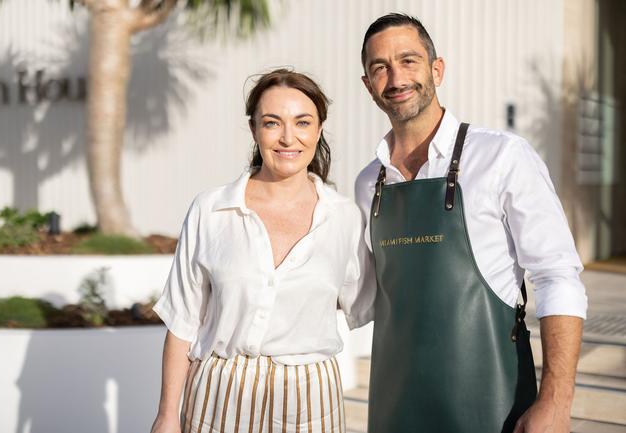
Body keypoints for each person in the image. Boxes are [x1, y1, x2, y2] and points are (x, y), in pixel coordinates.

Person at [354, 13, 588, 433]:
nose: (395, 78)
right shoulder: (368, 183)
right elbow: (360, 299)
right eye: (380, 68)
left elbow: (558, 276)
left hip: (491, 405)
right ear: (368, 85)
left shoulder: (503, 157)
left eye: (408, 60)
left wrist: (556, 401)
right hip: (394, 410)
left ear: (436, 69)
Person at [150, 69, 376, 433]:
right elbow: (182, 323)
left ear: (319, 130)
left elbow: (371, 307)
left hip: (310, 399)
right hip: (219, 393)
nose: (289, 137)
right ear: (254, 130)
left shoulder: (345, 219)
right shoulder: (211, 210)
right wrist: (167, 415)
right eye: (273, 123)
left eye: (303, 122)